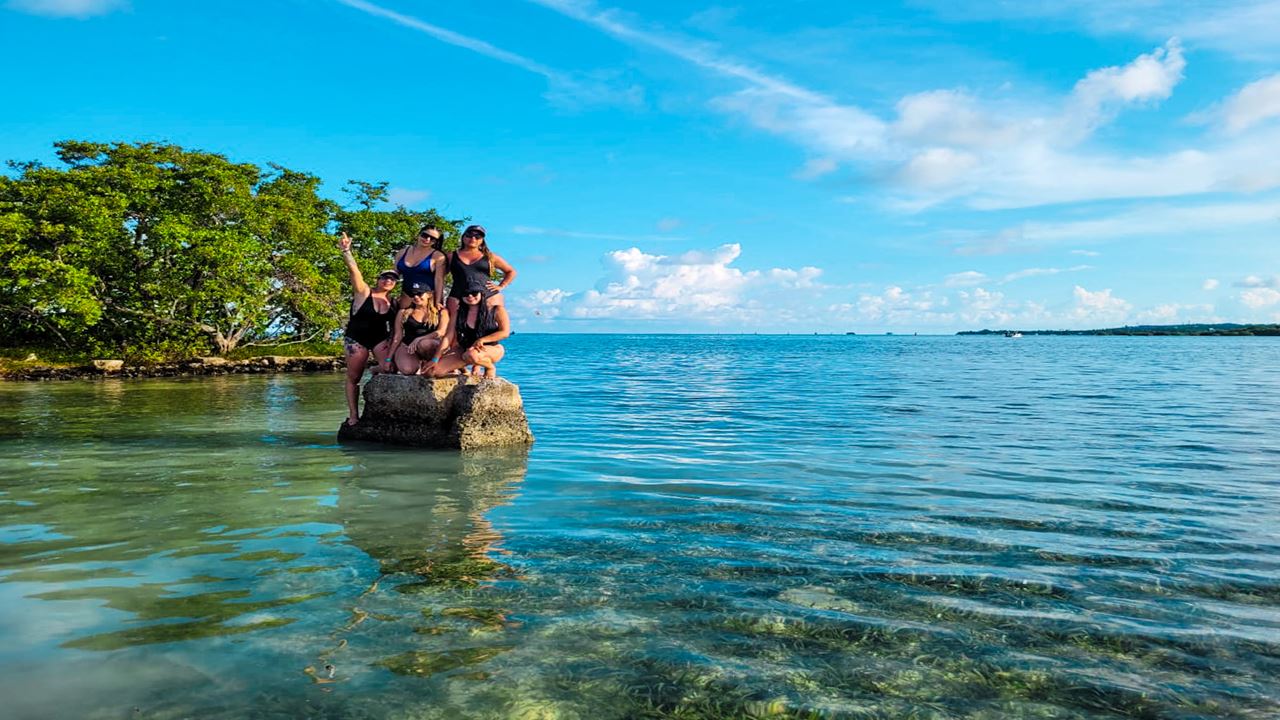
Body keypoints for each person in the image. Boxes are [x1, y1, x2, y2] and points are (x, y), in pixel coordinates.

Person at [338, 231, 398, 426]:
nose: (388, 280)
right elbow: (354, 271)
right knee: (354, 377)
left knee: (390, 368)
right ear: (378, 279)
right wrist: (347, 251)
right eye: (384, 277)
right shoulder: (364, 292)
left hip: (380, 338)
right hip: (357, 339)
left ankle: (374, 370)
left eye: (392, 279)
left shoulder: (394, 301)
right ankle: (354, 414)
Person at [433, 281, 511, 378]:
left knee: (471, 355)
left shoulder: (496, 310)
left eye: (474, 293)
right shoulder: (458, 313)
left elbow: (505, 332)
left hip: (491, 348)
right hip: (465, 350)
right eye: (466, 294)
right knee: (434, 371)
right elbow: (448, 337)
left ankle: (490, 367)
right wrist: (435, 359)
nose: (470, 296)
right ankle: (466, 368)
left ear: (481, 294)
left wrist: (482, 340)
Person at [446, 225, 516, 316]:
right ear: (463, 237)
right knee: (454, 325)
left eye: (478, 236)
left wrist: (501, 286)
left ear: (482, 239)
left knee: (490, 326)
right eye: (469, 235)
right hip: (458, 295)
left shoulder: (490, 257)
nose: (473, 238)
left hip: (488, 295)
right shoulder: (451, 256)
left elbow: (511, 271)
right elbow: (438, 276)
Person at [389, 281, 450, 375]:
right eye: (413, 295)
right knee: (408, 370)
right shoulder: (403, 313)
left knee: (425, 344)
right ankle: (378, 368)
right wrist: (388, 358)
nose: (416, 297)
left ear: (429, 295)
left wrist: (419, 339)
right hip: (408, 346)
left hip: (429, 346)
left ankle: (429, 363)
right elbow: (397, 337)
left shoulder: (441, 312)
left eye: (419, 293)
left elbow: (441, 332)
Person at [393, 224, 447, 309]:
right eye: (425, 235)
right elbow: (394, 274)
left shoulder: (438, 256)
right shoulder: (402, 252)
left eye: (432, 239)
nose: (427, 239)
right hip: (405, 296)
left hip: (426, 299)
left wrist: (438, 302)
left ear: (436, 241)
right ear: (419, 234)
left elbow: (439, 280)